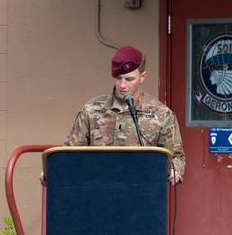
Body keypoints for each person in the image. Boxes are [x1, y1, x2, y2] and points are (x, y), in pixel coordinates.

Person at [65, 45, 185, 184]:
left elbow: (176, 156)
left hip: (143, 190)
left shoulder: (161, 114)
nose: (122, 85)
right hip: (99, 189)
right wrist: (51, 172)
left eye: (129, 79)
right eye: (118, 78)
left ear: (143, 76)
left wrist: (174, 170)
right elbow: (70, 153)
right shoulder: (92, 110)